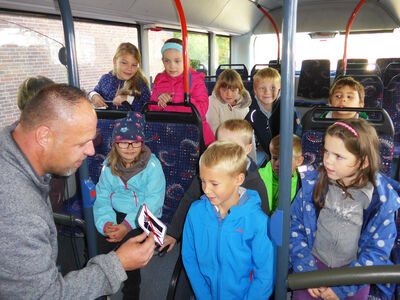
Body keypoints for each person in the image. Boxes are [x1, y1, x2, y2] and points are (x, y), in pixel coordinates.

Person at [0, 84, 156, 299]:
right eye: (82, 142)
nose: (92, 150)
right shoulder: (19, 212)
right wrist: (117, 263)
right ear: (44, 137)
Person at [290, 118, 400, 300]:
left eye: (338, 156)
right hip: (312, 267)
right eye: (326, 151)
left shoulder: (380, 202)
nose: (327, 161)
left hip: (355, 275)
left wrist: (343, 287)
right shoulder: (313, 185)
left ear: (363, 162)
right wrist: (307, 269)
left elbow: (377, 251)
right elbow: (295, 228)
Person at [159, 119, 269, 253]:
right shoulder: (209, 174)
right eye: (221, 144)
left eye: (233, 147)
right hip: (208, 236)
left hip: (237, 245)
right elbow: (189, 200)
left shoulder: (254, 183)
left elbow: (262, 223)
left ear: (248, 149)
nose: (224, 151)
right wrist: (173, 233)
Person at [182, 141, 274, 300]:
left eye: (214, 183)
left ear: (238, 179)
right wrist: (203, 295)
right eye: (203, 180)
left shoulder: (258, 222)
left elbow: (265, 275)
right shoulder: (195, 212)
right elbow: (190, 257)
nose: (206, 189)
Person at [93, 111, 166, 300]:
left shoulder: (152, 167)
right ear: (115, 144)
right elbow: (102, 196)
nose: (130, 147)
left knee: (129, 250)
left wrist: (126, 226)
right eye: (123, 142)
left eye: (135, 142)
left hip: (143, 214)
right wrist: (106, 223)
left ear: (142, 143)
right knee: (100, 243)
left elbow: (153, 200)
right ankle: (101, 288)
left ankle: (131, 292)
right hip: (115, 212)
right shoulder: (109, 165)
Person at [149, 38, 215, 145]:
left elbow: (202, 109)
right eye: (167, 61)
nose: (172, 66)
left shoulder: (195, 80)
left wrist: (178, 99)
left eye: (177, 61)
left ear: (187, 60)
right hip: (167, 134)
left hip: (194, 132)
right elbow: (151, 109)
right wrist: (160, 102)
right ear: (163, 61)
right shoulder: (160, 81)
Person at [245, 67, 302, 162]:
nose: (267, 92)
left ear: (279, 90)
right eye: (262, 88)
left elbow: (297, 134)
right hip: (268, 153)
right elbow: (246, 134)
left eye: (272, 88)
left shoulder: (288, 110)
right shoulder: (252, 113)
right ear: (255, 90)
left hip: (288, 154)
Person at [89, 42, 150, 111]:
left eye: (134, 65)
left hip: (131, 121)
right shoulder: (106, 79)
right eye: (124, 63)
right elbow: (94, 91)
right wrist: (94, 96)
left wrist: (128, 99)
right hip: (108, 120)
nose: (129, 68)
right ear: (115, 61)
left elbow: (147, 108)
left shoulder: (140, 83)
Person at [259, 134, 304, 215]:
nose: (277, 164)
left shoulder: (302, 181)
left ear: (299, 161)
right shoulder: (260, 178)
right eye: (275, 158)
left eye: (284, 159)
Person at [206, 69, 251, 134]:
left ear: (239, 90)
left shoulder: (244, 106)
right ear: (219, 89)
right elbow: (214, 131)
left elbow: (249, 132)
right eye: (224, 90)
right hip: (222, 142)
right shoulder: (212, 103)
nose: (229, 94)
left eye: (233, 90)